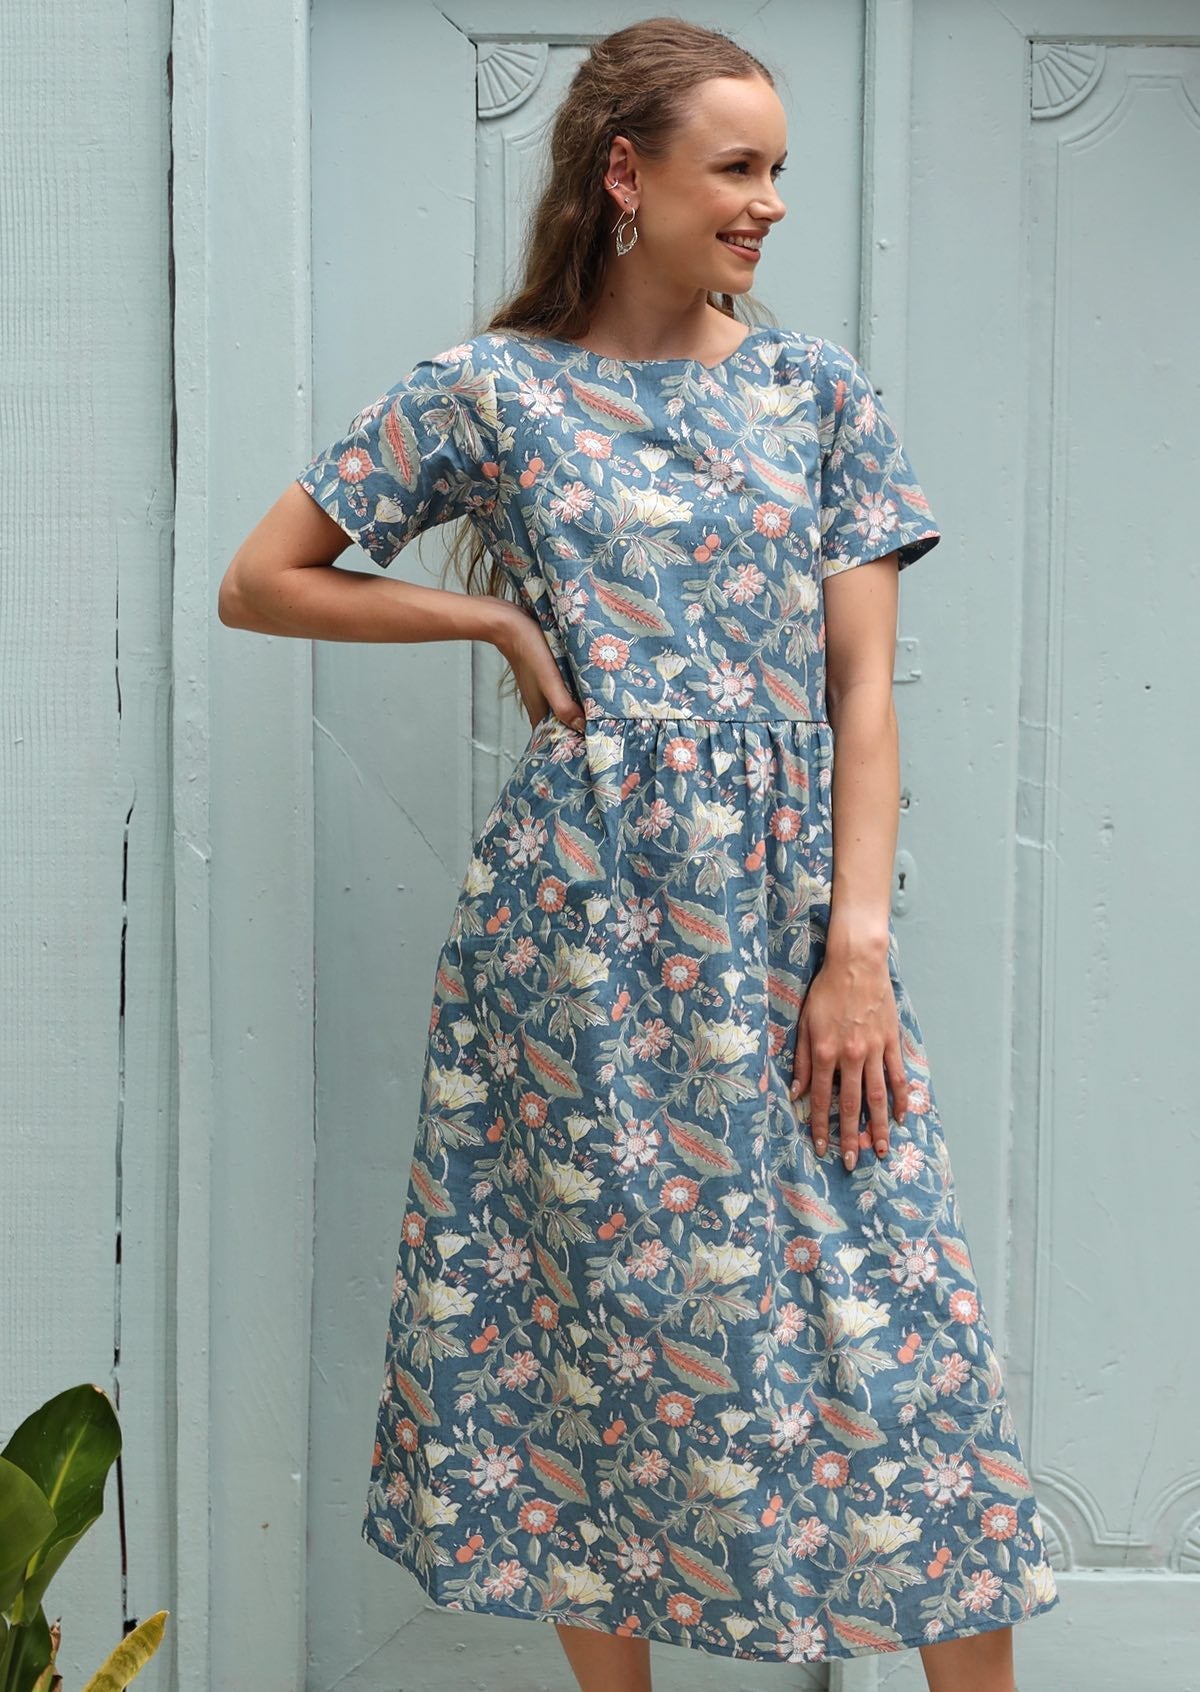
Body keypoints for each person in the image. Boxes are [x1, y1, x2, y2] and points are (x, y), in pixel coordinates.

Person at [218, 16, 1061, 1690]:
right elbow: (261, 580)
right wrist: (481, 618)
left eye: (779, 174)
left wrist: (857, 951)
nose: (766, 206)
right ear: (628, 173)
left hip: (790, 926)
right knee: (589, 1338)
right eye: (736, 169)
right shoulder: (494, 390)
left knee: (905, 1357)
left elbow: (862, 694)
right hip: (577, 945)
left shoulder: (813, 390)